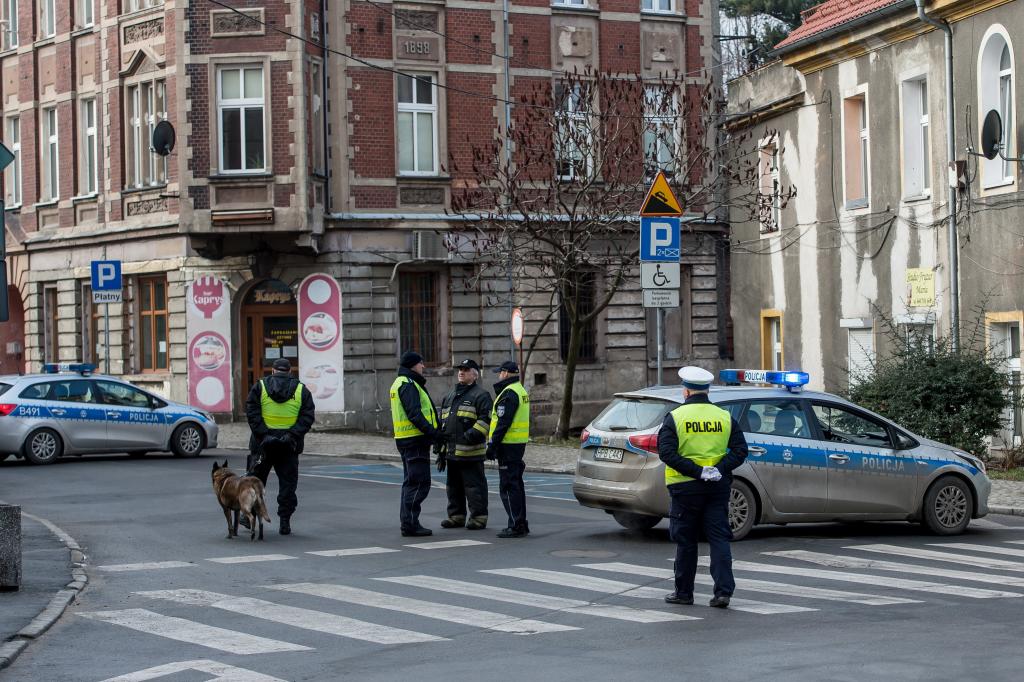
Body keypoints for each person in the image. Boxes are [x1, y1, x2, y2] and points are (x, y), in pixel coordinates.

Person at [658, 366, 748, 608]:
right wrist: (718, 468)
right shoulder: (724, 417)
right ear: (707, 391)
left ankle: (684, 593)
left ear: (685, 391)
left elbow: (666, 453)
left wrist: (697, 471)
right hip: (717, 487)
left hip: (685, 487)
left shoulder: (675, 417)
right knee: (719, 539)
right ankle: (723, 593)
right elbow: (741, 450)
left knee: (686, 541)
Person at [244, 357, 316, 535]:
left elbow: (252, 412)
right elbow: (307, 417)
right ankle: (285, 521)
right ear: (290, 371)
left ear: (273, 371)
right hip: (289, 446)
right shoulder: (301, 390)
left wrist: (264, 435)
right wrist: (292, 435)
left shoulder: (260, 387)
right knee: (288, 485)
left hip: (263, 445)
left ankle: (248, 516)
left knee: (255, 482)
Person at [390, 351, 442, 537]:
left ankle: (409, 522)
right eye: (421, 363)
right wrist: (433, 433)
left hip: (407, 439)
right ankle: (410, 523)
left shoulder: (402, 382)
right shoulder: (408, 384)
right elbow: (415, 414)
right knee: (419, 482)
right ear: (413, 365)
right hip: (415, 440)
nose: (423, 366)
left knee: (411, 482)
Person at [437, 359, 493, 530]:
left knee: (474, 487)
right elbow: (443, 422)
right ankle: (456, 516)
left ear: (474, 375)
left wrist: (470, 436)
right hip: (452, 452)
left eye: (466, 370)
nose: (461, 372)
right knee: (453, 487)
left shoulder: (481, 395)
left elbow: (486, 420)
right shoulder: (450, 395)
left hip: (471, 452)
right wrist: (440, 449)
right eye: (460, 369)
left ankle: (479, 517)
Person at [486, 361, 530, 538]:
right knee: (516, 484)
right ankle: (521, 523)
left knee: (508, 486)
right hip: (517, 444)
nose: (498, 375)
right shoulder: (519, 390)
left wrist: (492, 446)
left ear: (505, 373)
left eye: (500, 372)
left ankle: (515, 525)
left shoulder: (509, 393)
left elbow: (503, 423)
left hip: (508, 445)